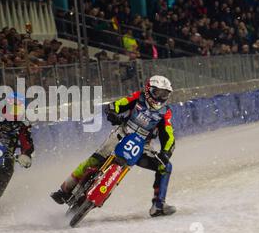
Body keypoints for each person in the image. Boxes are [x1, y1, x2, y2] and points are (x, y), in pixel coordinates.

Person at [51, 76, 176, 217]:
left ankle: (158, 206)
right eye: (158, 92)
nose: (160, 97)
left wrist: (166, 152)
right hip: (121, 135)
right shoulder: (137, 97)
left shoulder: (165, 112)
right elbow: (117, 104)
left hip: (142, 146)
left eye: (164, 94)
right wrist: (112, 112)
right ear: (148, 90)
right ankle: (65, 190)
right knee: (94, 160)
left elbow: (168, 134)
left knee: (165, 167)